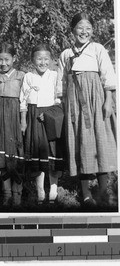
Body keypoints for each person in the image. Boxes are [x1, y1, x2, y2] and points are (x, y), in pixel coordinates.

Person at [58, 12, 117, 208]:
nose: (84, 32)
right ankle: (84, 194)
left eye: (88, 28)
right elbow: (62, 84)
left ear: (92, 30)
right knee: (80, 143)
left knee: (101, 141)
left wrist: (108, 101)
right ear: (72, 30)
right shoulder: (65, 54)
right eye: (80, 28)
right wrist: (64, 105)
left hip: (96, 100)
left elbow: (108, 76)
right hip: (75, 103)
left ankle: (102, 191)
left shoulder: (98, 49)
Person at [20, 43, 65, 204]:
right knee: (37, 152)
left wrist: (49, 114)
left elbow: (59, 98)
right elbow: (23, 101)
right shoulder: (28, 77)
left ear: (52, 60)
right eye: (39, 59)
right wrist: (23, 121)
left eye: (46, 59)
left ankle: (53, 187)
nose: (43, 62)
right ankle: (40, 189)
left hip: (51, 116)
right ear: (32, 60)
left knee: (53, 151)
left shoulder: (54, 75)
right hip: (33, 116)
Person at [0, 42, 25, 206]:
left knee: (15, 155)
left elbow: (24, 100)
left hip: (15, 118)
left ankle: (18, 193)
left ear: (14, 59)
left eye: (7, 59)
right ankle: (6, 192)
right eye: (0, 60)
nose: (3, 63)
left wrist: (23, 121)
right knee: (1, 155)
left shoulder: (21, 76)